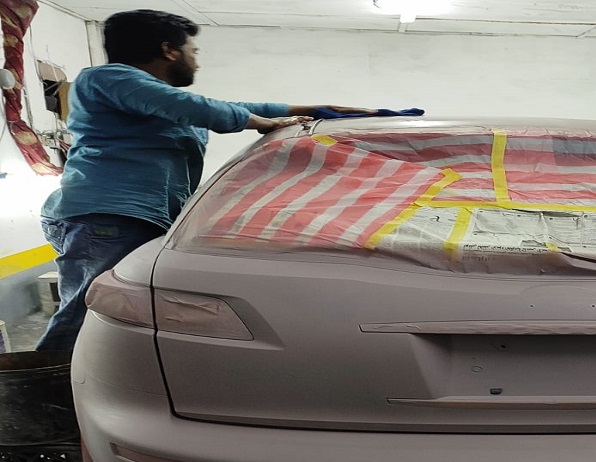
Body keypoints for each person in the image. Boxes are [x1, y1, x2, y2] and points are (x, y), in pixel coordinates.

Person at [36, 9, 371, 351]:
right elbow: (201, 108)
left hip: (133, 217)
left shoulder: (151, 101)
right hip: (106, 216)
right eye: (193, 51)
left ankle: (92, 373)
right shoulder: (105, 79)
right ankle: (43, 381)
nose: (196, 61)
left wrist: (313, 109)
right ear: (169, 50)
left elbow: (220, 106)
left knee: (120, 311)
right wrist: (264, 124)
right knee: (88, 310)